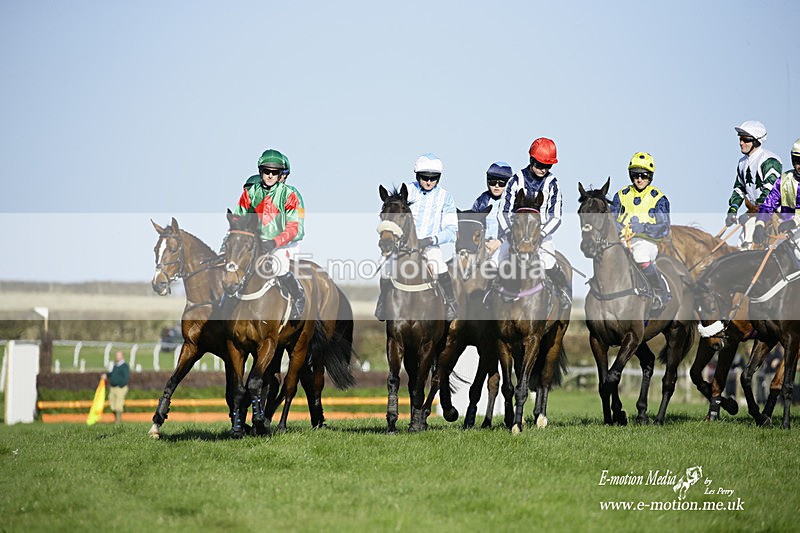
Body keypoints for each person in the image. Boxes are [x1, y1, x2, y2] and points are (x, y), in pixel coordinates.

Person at [375, 153, 459, 321]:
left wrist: (430, 240)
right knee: (385, 268)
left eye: (434, 178)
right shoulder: (408, 191)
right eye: (424, 177)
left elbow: (452, 231)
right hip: (403, 245)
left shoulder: (445, 197)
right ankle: (383, 301)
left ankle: (451, 303)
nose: (429, 182)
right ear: (417, 175)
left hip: (430, 245)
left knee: (440, 266)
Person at [226, 148, 306, 319]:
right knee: (235, 267)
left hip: (284, 243)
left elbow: (293, 228)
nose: (270, 175)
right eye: (266, 171)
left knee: (279, 266)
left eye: (274, 172)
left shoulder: (289, 194)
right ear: (260, 171)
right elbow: (236, 224)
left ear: (280, 174)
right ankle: (227, 303)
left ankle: (298, 296)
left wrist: (274, 242)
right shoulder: (250, 193)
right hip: (257, 242)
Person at [497, 137, 571, 308]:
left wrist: (541, 235)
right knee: (497, 261)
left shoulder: (553, 184)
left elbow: (556, 216)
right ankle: (488, 297)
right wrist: (509, 233)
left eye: (548, 166)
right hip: (515, 234)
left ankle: (563, 292)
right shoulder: (515, 180)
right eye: (540, 165)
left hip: (541, 235)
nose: (543, 169)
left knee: (549, 262)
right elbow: (503, 212)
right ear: (531, 160)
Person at [610, 151, 672, 313]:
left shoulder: (658, 198)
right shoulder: (621, 195)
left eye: (644, 176)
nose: (639, 179)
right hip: (622, 240)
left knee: (639, 256)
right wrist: (616, 227)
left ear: (650, 177)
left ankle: (659, 291)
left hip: (647, 242)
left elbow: (664, 227)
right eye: (635, 175)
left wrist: (643, 228)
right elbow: (611, 219)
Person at [725, 121, 783, 248]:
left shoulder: (769, 160)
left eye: (745, 139)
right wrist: (733, 210)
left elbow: (770, 190)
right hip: (754, 212)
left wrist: (758, 209)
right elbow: (739, 188)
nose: (741, 143)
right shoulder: (742, 163)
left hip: (773, 213)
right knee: (742, 244)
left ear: (756, 141)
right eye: (740, 138)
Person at [754, 138, 800, 255]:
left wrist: (794, 222)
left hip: (793, 231)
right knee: (766, 256)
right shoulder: (784, 180)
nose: (799, 165)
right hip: (787, 233)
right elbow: (768, 205)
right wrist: (760, 224)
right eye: (796, 160)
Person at [471, 162, 512, 266]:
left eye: (502, 183)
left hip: (506, 242)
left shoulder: (513, 202)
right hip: (483, 244)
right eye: (493, 182)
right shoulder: (481, 200)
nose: (497, 186)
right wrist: (483, 242)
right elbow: (473, 225)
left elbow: (516, 227)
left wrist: (499, 241)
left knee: (493, 263)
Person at [105, 350, 130, 424]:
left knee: (118, 405)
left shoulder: (125, 366)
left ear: (122, 356)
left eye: (118, 355)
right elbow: (112, 374)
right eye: (116, 355)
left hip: (120, 388)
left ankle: (118, 421)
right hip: (113, 387)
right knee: (112, 404)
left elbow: (125, 378)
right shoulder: (115, 366)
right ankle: (115, 418)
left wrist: (120, 385)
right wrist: (106, 375)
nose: (117, 357)